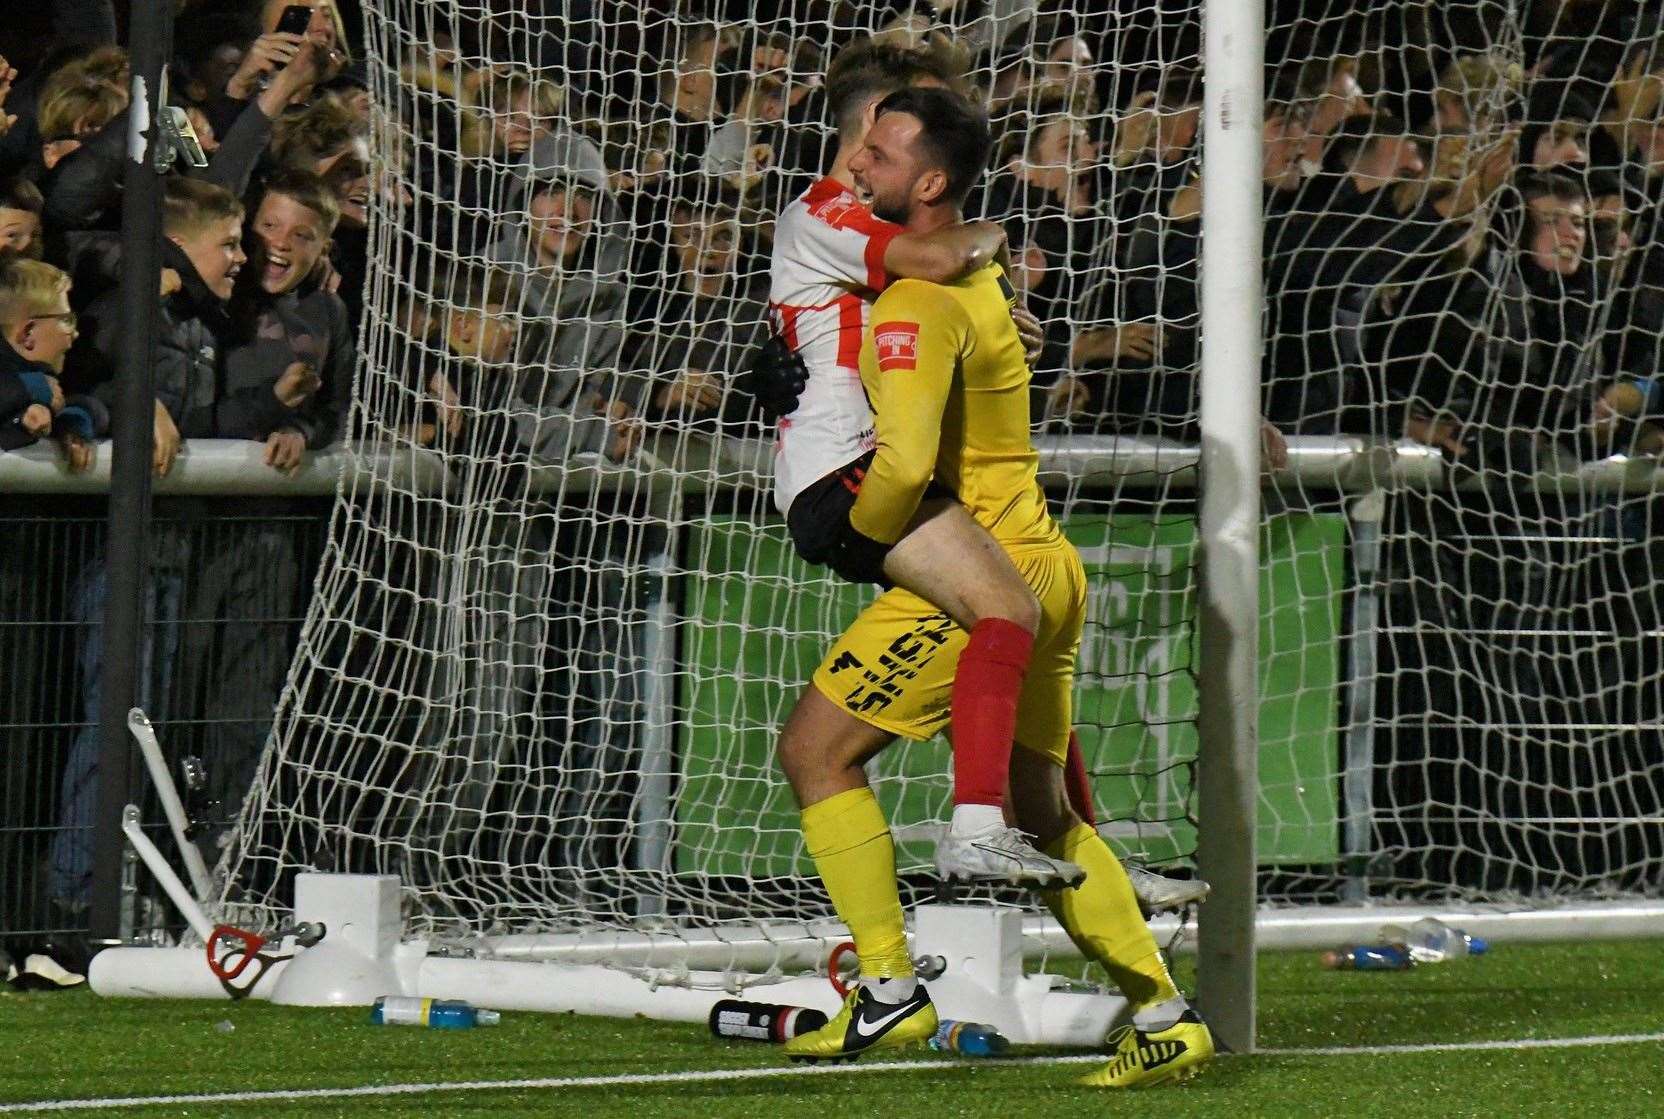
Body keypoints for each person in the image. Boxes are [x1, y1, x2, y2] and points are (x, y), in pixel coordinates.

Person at [778, 89, 1214, 1089]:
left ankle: (889, 989)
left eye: (879, 154)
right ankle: (1163, 1012)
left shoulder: (916, 302)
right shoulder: (978, 278)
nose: (858, 166)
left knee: (814, 750)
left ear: (927, 183)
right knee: (1045, 807)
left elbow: (899, 468)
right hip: (1046, 558)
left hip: (978, 581)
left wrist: (864, 540)